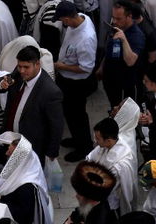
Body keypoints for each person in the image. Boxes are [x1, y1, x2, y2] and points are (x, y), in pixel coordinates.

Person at [1, 46, 64, 163]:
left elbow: (56, 126)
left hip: (31, 148)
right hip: (10, 140)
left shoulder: (50, 91)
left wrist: (51, 153)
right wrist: (2, 83)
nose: (22, 71)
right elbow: (5, 81)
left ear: (37, 64)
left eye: (26, 67)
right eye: (19, 66)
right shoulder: (19, 73)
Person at [53, 1, 97, 157]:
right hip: (67, 79)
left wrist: (61, 66)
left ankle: (83, 148)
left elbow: (86, 67)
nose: (62, 23)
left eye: (62, 20)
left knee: (77, 115)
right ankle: (77, 139)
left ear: (67, 18)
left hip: (77, 83)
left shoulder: (86, 39)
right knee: (70, 114)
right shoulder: (80, 19)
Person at [99, 0, 146, 107]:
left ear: (129, 16)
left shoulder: (136, 36)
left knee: (123, 113)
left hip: (125, 86)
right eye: (113, 17)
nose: (114, 21)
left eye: (118, 18)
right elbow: (109, 49)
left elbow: (130, 61)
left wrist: (124, 40)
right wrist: (102, 67)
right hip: (111, 82)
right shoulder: (117, 27)